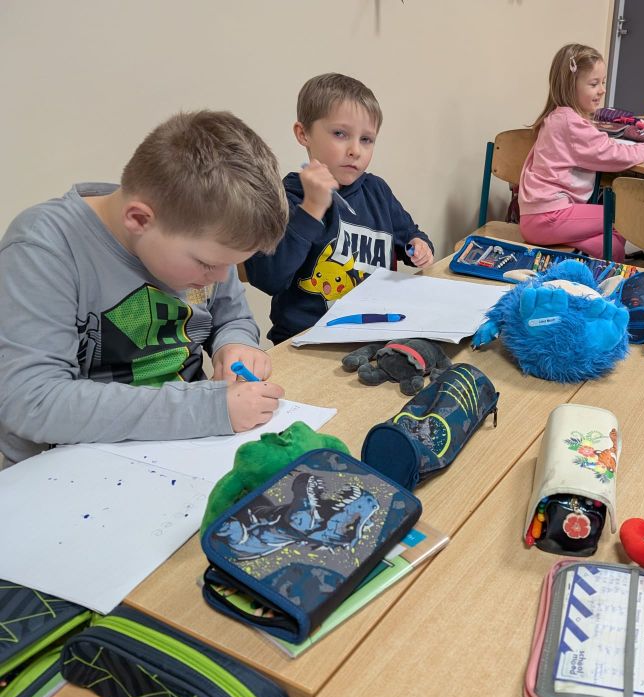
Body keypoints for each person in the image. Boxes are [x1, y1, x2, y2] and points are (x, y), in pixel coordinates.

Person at [0, 111, 287, 464]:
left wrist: (235, 344)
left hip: (187, 449)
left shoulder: (204, 235)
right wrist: (207, 408)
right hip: (69, 466)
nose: (221, 277)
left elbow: (231, 317)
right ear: (139, 219)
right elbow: (32, 401)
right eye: (208, 264)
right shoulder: (43, 247)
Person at [245, 73, 435, 344]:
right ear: (303, 134)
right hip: (306, 342)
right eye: (340, 134)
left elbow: (410, 236)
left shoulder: (377, 191)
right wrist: (312, 209)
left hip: (373, 334)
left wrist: (419, 246)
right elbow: (269, 278)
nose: (355, 150)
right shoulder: (284, 198)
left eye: (366, 139)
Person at [518, 43, 644, 262]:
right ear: (570, 86)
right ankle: (603, 267)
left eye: (603, 82)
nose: (602, 90)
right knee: (621, 219)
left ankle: (595, 261)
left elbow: (600, 148)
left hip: (535, 217)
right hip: (550, 216)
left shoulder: (556, 117)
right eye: (594, 84)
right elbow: (613, 155)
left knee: (612, 244)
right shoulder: (571, 123)